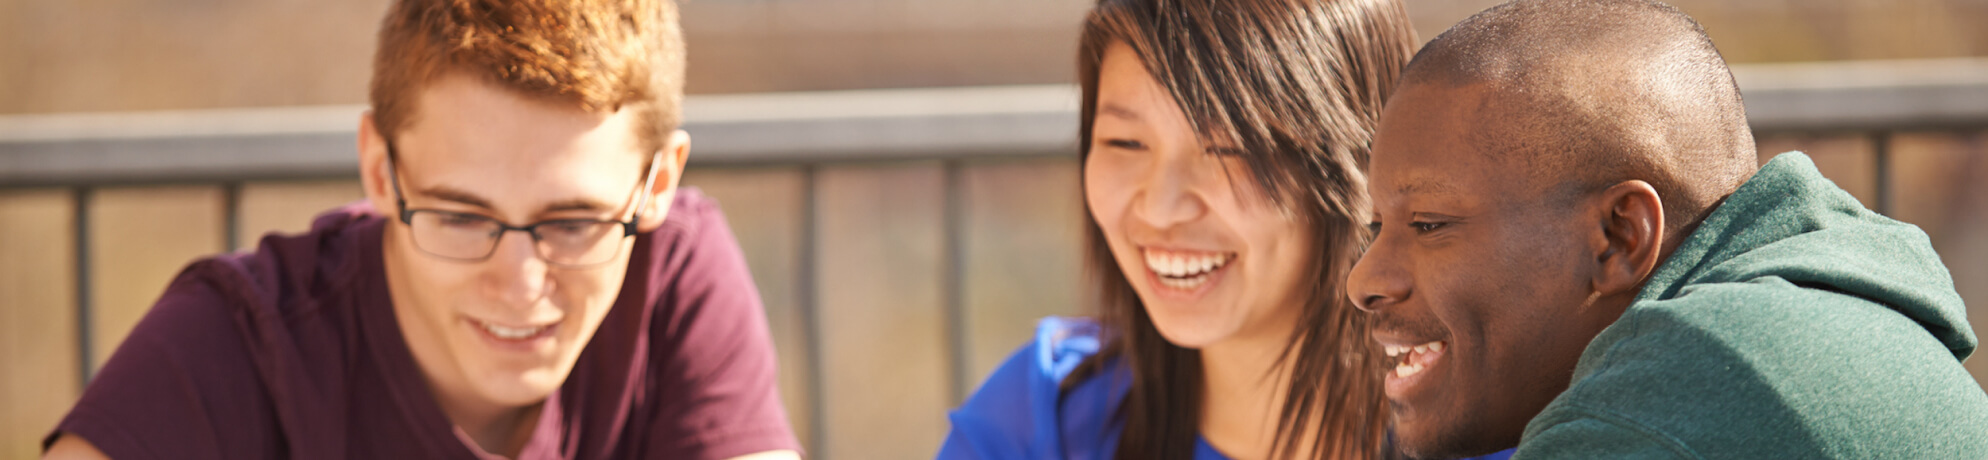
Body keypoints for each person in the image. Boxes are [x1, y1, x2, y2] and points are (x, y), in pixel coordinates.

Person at [42, 0, 801, 459]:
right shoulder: (240, 343)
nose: (518, 283)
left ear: (657, 184)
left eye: (573, 222)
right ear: (381, 171)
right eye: (462, 215)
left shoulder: (674, 276)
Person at [1348, 0, 1988, 458]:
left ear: (1620, 237)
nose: (1363, 279)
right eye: (1377, 227)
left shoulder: (1692, 385)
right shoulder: (1815, 313)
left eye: (1428, 224)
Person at [939, 0, 1511, 458]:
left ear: (1363, 163)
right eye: (1125, 142)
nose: (1161, 209)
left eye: (1228, 148)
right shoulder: (1045, 417)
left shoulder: (1506, 429)